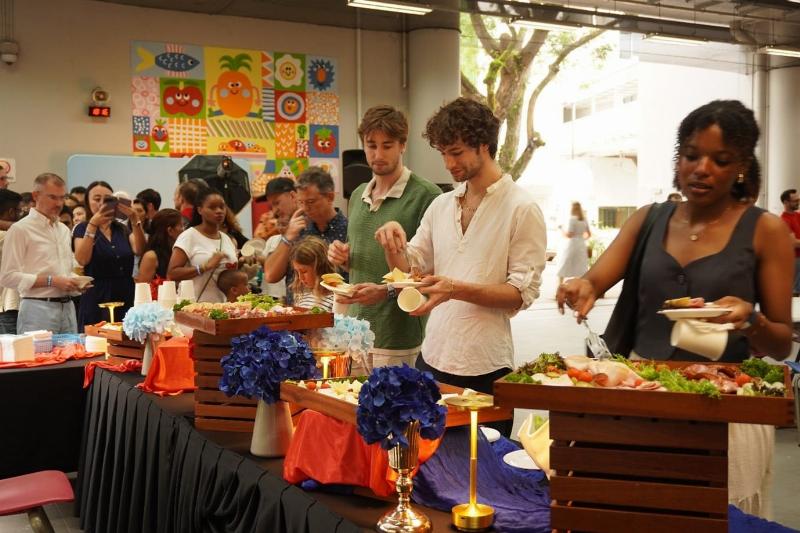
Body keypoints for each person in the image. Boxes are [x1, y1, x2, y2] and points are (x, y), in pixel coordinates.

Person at [556, 100, 793, 517]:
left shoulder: (765, 229)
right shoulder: (649, 219)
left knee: (714, 518)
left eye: (720, 160)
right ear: (678, 158)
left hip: (724, 408)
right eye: (692, 155)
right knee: (638, 511)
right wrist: (582, 287)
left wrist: (752, 319)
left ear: (741, 167)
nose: (702, 169)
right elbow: (595, 280)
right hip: (643, 401)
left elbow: (780, 343)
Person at [374, 97, 547, 411]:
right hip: (432, 355)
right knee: (423, 442)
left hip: (486, 363)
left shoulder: (521, 207)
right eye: (443, 153)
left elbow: (520, 295)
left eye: (456, 152)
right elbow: (409, 271)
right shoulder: (441, 204)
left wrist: (455, 289)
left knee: (483, 444)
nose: (448, 163)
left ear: (484, 145)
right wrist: (393, 243)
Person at [330, 105, 441, 370]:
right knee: (347, 396)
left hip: (398, 335)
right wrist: (342, 258)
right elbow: (360, 262)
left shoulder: (427, 196)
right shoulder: (357, 195)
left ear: (403, 145)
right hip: (353, 331)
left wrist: (385, 292)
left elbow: (430, 272)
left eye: (387, 145)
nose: (378, 154)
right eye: (371, 145)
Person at [0, 173, 83, 333]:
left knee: (73, 350)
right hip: (37, 307)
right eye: (52, 197)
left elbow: (63, 271)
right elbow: (7, 277)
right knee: (38, 351)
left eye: (62, 197)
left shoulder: (64, 230)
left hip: (68, 307)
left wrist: (75, 282)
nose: (59, 203)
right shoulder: (20, 230)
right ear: (35, 196)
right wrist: (51, 281)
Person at [263, 167, 348, 304]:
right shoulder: (297, 229)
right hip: (298, 312)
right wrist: (287, 237)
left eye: (310, 202)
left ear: (330, 197)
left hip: (338, 313)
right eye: (301, 202)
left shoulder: (349, 230)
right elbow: (270, 276)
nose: (305, 208)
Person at [73, 181, 146, 329]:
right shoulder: (82, 228)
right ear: (87, 202)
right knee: (98, 338)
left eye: (107, 199)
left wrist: (134, 219)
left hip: (126, 291)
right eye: (96, 199)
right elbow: (82, 259)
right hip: (97, 294)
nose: (101, 203)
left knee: (126, 337)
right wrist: (93, 224)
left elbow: (140, 249)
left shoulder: (121, 229)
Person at [167, 187, 238, 303]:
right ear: (200, 210)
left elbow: (227, 274)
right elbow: (172, 274)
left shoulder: (226, 239)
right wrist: (204, 267)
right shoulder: (189, 236)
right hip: (194, 306)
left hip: (223, 306)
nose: (219, 211)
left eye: (222, 207)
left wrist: (244, 263)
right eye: (212, 207)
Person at [259, 177, 298, 301]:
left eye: (277, 203)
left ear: (293, 196)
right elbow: (270, 275)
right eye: (271, 206)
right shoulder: (284, 236)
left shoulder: (312, 226)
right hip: (293, 306)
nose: (275, 211)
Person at [135, 208, 184, 284]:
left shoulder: (178, 252)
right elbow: (142, 287)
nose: (184, 230)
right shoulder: (151, 256)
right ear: (170, 231)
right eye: (181, 226)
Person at [289, 236, 335, 311]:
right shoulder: (301, 296)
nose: (300, 278)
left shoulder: (335, 299)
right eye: (297, 272)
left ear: (320, 269)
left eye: (304, 271)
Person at [0, 189, 23, 333]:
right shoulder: (6, 236)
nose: (22, 215)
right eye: (19, 211)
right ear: (10, 212)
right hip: (8, 307)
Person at [555, 201, 591, 287]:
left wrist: (561, 229)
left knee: (565, 263)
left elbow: (569, 235)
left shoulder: (572, 219)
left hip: (572, 244)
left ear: (572, 209)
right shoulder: (584, 219)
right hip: (581, 245)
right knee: (580, 266)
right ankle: (578, 287)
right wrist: (581, 239)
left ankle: (560, 286)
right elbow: (589, 234)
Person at [779, 188, 800, 294]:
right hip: (795, 259)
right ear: (786, 202)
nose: (798, 203)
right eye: (795, 201)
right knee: (796, 291)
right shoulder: (784, 220)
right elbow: (794, 243)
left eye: (798, 200)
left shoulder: (798, 216)